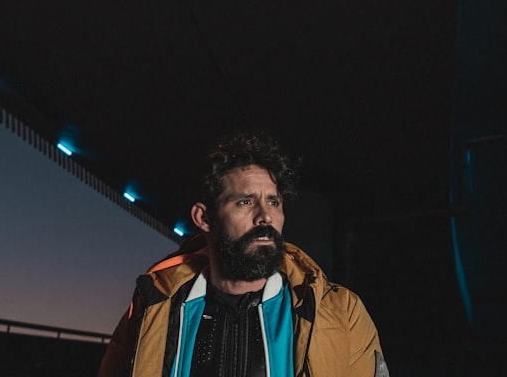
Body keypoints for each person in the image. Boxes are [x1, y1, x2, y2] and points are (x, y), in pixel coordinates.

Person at [98, 130, 388, 377]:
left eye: (274, 202)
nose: (265, 216)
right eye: (245, 201)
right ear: (204, 218)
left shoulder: (340, 312)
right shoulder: (153, 305)